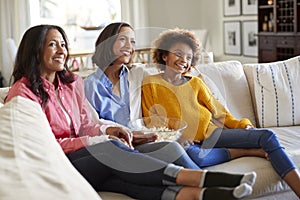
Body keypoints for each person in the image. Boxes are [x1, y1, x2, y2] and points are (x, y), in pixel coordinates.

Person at [4, 24, 256, 200]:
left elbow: (85, 124)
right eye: (52, 44)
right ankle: (193, 178)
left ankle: (196, 195)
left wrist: (111, 129)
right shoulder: (22, 94)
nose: (62, 50)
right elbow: (47, 145)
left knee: (120, 178)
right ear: (35, 49)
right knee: (110, 150)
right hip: (62, 162)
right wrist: (100, 138)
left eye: (63, 44)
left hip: (93, 157)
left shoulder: (71, 83)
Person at [141, 28, 300, 198]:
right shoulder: (151, 83)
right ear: (164, 56)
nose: (183, 60)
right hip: (186, 144)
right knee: (193, 157)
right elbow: (153, 121)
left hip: (212, 134)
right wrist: (177, 137)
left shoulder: (196, 83)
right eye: (178, 54)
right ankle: (246, 151)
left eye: (188, 57)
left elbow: (219, 112)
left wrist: (243, 126)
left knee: (267, 136)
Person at [84, 22, 200, 169]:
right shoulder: (89, 85)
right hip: (117, 146)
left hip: (146, 140)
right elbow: (93, 124)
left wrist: (176, 134)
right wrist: (128, 134)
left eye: (132, 41)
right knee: (173, 150)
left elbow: (165, 87)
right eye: (123, 39)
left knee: (191, 150)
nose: (129, 46)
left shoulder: (138, 75)